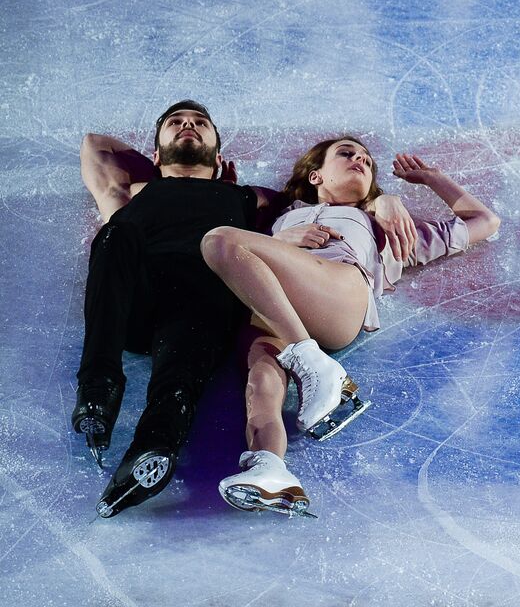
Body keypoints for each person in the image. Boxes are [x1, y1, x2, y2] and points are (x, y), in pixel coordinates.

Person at [75, 103, 417, 518]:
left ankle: (153, 450)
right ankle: (98, 389)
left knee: (183, 367)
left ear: (221, 157)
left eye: (200, 123)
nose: (188, 125)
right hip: (137, 297)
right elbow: (95, 145)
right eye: (176, 123)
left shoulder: (249, 198)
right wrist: (162, 165)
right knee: (115, 234)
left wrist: (383, 200)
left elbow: (327, 199)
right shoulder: (131, 191)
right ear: (155, 153)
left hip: (201, 303)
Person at [199, 136, 499, 516]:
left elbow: (485, 222)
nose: (360, 159)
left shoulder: (388, 226)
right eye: (346, 153)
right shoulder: (281, 214)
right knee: (261, 386)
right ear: (315, 176)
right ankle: (270, 469)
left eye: (367, 161)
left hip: (339, 295)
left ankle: (316, 366)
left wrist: (429, 179)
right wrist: (277, 236)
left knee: (220, 241)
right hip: (275, 312)